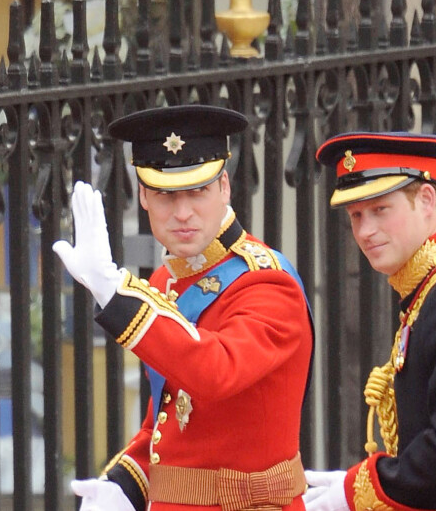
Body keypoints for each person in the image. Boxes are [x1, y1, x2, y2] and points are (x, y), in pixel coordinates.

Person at [53, 104, 314, 511]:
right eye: (165, 195)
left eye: (198, 191)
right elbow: (171, 421)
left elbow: (215, 371)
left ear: (224, 187)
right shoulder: (164, 282)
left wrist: (113, 292)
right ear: (142, 195)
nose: (183, 213)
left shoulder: (266, 282)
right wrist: (125, 482)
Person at [304, 131, 436, 511]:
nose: (365, 232)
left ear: (426, 199)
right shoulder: (427, 288)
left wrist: (358, 492)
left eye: (381, 210)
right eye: (356, 216)